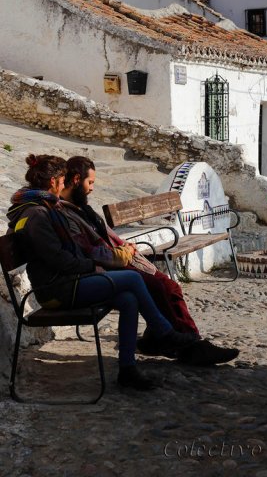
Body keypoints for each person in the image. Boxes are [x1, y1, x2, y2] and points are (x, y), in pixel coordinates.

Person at [7, 154, 201, 392]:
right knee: (132, 277)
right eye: (61, 180)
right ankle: (164, 332)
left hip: (67, 282)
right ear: (54, 182)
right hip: (57, 289)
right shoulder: (37, 214)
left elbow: (65, 255)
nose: (63, 184)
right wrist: (92, 266)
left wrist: (90, 264)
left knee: (129, 299)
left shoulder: (43, 208)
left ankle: (127, 370)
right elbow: (59, 259)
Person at [59, 156, 240, 366]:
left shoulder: (81, 208)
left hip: (118, 259)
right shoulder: (66, 212)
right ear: (75, 179)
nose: (91, 189)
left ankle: (167, 340)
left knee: (169, 286)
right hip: (106, 268)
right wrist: (123, 252)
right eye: (89, 183)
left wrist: (125, 249)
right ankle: (189, 346)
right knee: (159, 286)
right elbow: (90, 250)